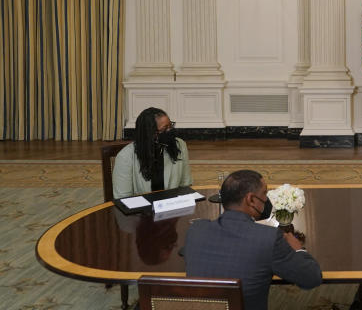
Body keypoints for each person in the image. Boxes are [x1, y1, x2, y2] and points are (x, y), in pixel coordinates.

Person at [183, 169, 323, 310]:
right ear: (251, 200)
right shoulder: (268, 238)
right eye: (264, 193)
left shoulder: (196, 230)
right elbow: (311, 278)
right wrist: (298, 249)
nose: (267, 199)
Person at [112, 107, 191, 198]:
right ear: (150, 133)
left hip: (173, 207)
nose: (170, 130)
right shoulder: (125, 157)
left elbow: (185, 185)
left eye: (170, 125)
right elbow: (123, 198)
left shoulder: (179, 145)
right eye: (165, 128)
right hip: (141, 209)